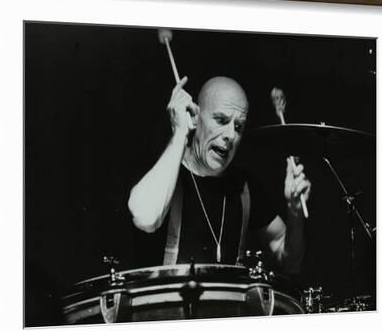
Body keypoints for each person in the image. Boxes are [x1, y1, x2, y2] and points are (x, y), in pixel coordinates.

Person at [128, 76, 311, 274]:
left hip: (227, 306)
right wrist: (180, 133)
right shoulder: (162, 170)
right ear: (195, 117)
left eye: (238, 126)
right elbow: (145, 218)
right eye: (221, 120)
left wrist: (295, 213)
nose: (230, 135)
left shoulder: (245, 186)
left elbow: (290, 262)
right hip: (164, 304)